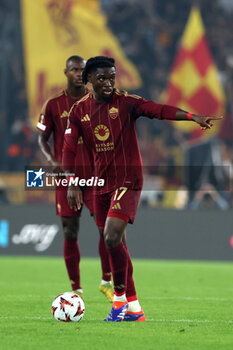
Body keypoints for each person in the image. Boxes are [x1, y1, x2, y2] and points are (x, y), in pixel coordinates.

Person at [62, 56, 222, 322]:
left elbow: (159, 110)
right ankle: (135, 308)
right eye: (102, 78)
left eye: (112, 76)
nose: (108, 82)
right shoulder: (79, 111)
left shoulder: (126, 103)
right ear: (88, 79)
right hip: (101, 183)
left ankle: (119, 302)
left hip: (129, 180)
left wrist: (193, 116)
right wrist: (70, 181)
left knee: (112, 237)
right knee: (117, 243)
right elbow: (68, 149)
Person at [37, 55, 113, 302]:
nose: (79, 74)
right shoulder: (53, 104)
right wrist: (54, 163)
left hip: (95, 175)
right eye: (74, 70)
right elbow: (42, 139)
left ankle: (106, 281)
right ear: (66, 72)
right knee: (70, 231)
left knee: (105, 228)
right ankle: (76, 288)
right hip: (67, 177)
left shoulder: (97, 101)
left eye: (82, 70)